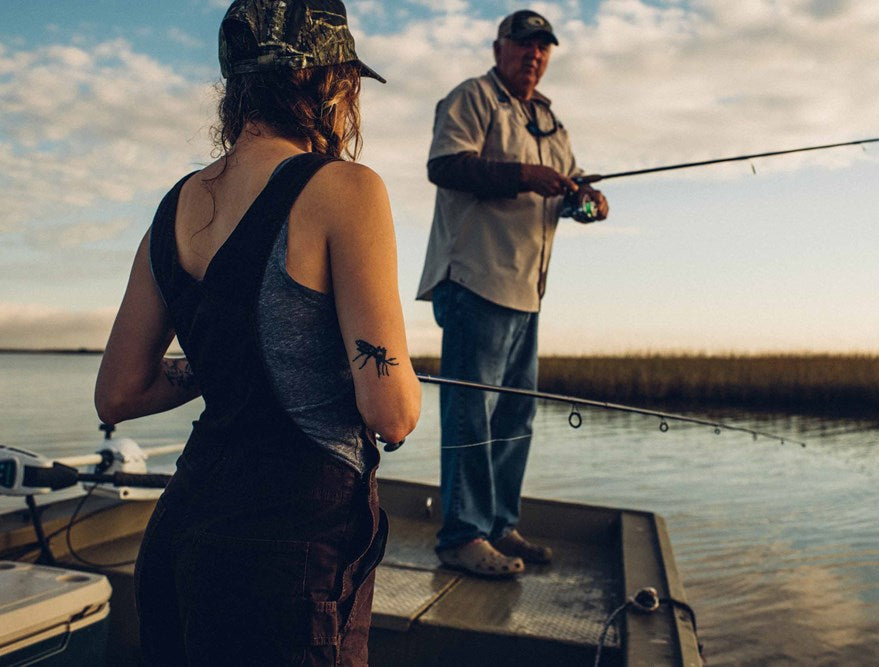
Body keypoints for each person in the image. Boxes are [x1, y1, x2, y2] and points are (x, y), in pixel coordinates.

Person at [94, 1, 421, 664]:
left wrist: (219, 366)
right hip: (291, 551)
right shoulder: (347, 189)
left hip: (180, 534)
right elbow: (390, 411)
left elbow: (119, 394)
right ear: (324, 81)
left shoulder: (175, 206)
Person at [416, 10, 609, 578]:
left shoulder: (549, 118)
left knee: (515, 418)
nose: (535, 56)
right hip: (476, 281)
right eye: (524, 45)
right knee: (470, 415)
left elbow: (568, 187)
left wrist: (586, 202)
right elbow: (444, 165)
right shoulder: (472, 97)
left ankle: (500, 525)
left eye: (543, 48)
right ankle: (462, 535)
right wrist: (526, 175)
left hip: (528, 291)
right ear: (500, 47)